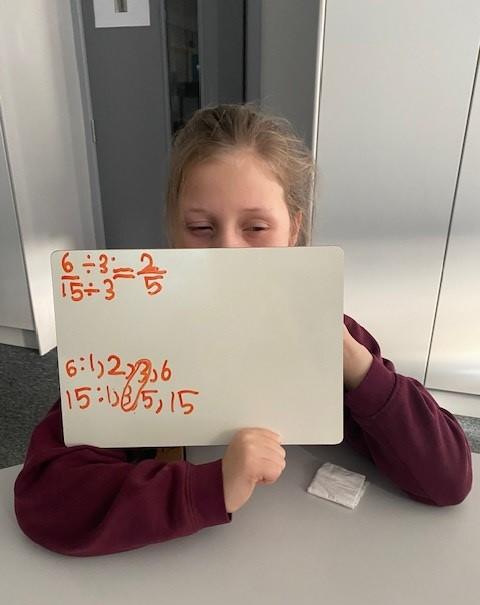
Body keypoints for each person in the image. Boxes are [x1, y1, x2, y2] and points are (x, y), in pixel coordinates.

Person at [14, 103, 472, 557]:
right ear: (173, 231)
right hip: (182, 568)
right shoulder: (132, 340)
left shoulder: (333, 339)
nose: (228, 250)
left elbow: (449, 477)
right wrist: (212, 486)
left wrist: (355, 363)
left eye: (255, 226)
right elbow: (46, 500)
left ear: (293, 229)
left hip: (309, 559)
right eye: (201, 227)